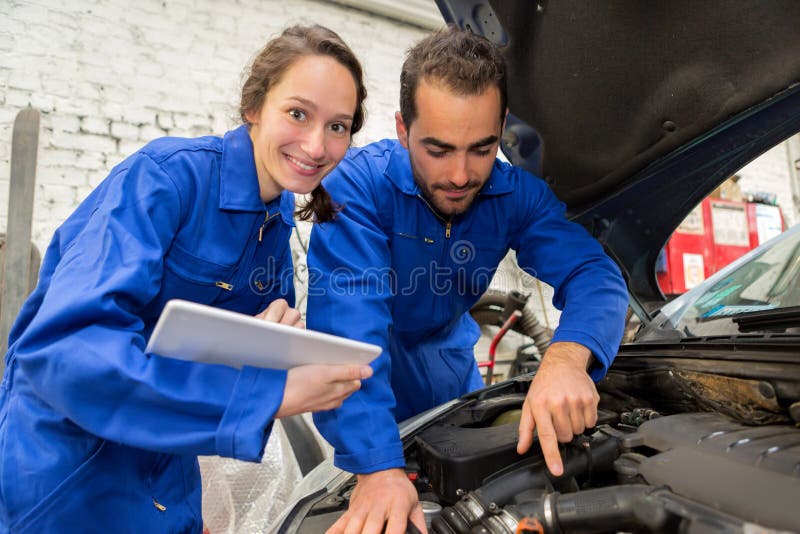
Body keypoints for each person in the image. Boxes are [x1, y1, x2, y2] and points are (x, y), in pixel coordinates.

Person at [0, 25, 371, 533]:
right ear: (254, 106)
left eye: (338, 126)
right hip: (74, 473)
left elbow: (198, 353)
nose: (316, 143)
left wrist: (266, 340)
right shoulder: (164, 180)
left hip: (167, 467)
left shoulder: (277, 220)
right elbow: (67, 353)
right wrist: (270, 395)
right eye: (298, 113)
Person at [306, 27, 629, 534]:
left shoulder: (517, 195)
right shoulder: (357, 189)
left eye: (482, 148)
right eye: (437, 149)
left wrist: (567, 359)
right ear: (402, 128)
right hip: (370, 394)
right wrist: (376, 464)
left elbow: (595, 274)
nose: (460, 174)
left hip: (458, 384)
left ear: (501, 126)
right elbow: (350, 334)